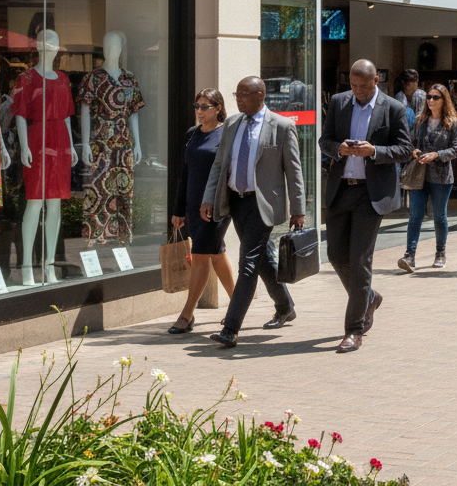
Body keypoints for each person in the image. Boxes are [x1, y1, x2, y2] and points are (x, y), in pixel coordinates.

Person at [200, 77, 305, 348]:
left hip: (263, 204)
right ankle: (285, 306)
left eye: (244, 94)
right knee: (261, 260)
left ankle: (231, 328)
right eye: (237, 93)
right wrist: (209, 198)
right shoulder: (232, 124)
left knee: (247, 263)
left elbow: (294, 171)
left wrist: (298, 209)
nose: (239, 99)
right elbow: (219, 165)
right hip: (236, 202)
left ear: (260, 95)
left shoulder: (281, 126)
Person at [320, 59, 413, 353]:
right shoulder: (339, 102)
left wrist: (375, 151)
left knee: (360, 259)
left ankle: (354, 329)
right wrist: (338, 149)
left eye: (363, 86)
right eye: (353, 85)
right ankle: (369, 297)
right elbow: (324, 140)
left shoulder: (393, 108)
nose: (357, 91)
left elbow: (405, 149)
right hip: (340, 190)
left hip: (370, 194)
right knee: (336, 255)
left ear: (376, 81)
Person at [168, 89, 236, 333]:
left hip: (217, 206)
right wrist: (178, 209)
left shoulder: (226, 133)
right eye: (197, 106)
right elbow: (185, 174)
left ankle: (186, 315)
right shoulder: (192, 134)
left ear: (218, 108)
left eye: (205, 107)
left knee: (199, 255)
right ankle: (238, 305)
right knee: (216, 254)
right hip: (193, 204)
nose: (199, 111)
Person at [398, 83, 457, 272]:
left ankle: (440, 252)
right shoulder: (420, 120)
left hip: (441, 177)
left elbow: (456, 149)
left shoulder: (452, 122)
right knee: (415, 216)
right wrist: (414, 152)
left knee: (439, 216)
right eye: (429, 97)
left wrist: (436, 155)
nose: (431, 100)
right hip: (419, 175)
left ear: (444, 100)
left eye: (435, 97)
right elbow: (409, 143)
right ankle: (410, 255)